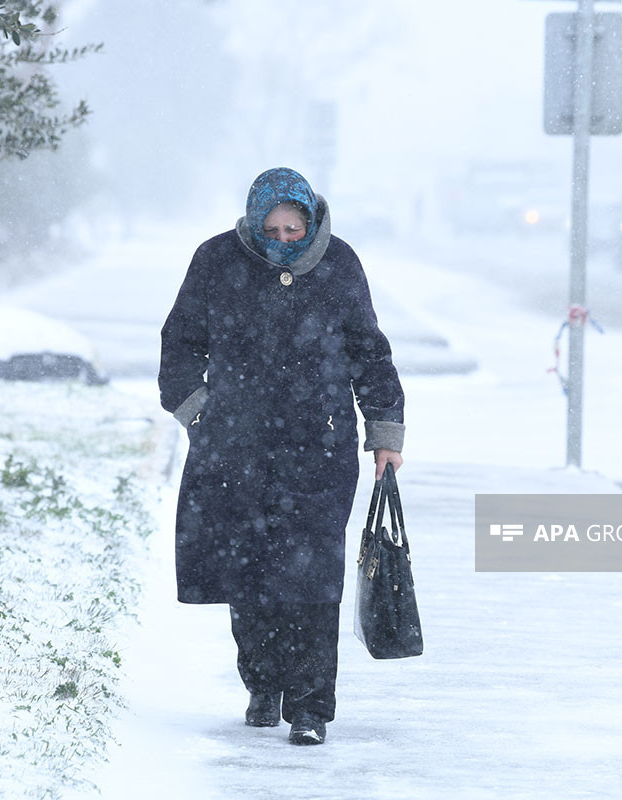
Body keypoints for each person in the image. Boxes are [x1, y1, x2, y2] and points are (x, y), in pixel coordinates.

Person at [158, 167, 405, 746]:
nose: (284, 239)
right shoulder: (217, 260)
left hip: (320, 449)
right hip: (234, 448)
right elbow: (181, 340)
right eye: (272, 228)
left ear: (311, 220)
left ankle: (311, 707)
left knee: (313, 577)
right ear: (253, 220)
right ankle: (262, 685)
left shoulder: (339, 263)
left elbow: (370, 351)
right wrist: (199, 411)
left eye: (294, 229)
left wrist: (386, 432)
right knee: (248, 572)